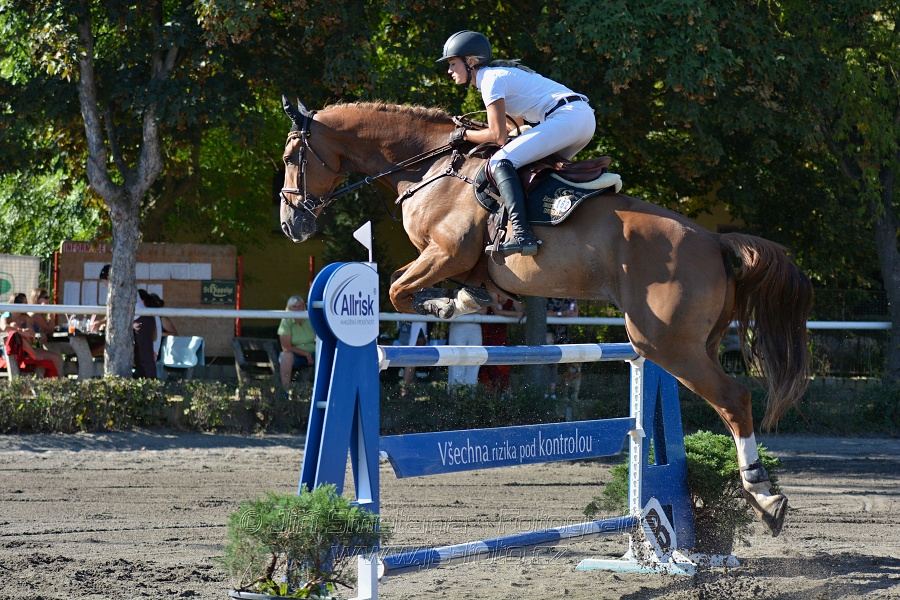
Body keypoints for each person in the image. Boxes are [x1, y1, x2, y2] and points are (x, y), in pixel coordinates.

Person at [438, 30, 596, 257]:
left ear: (470, 62)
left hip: (567, 117)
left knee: (499, 162)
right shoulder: (499, 77)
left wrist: (463, 135)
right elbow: (514, 129)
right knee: (531, 168)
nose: (449, 70)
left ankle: (522, 234)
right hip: (581, 119)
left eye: (453, 63)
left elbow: (497, 136)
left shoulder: (490, 79)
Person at [0, 292, 63, 378]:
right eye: (25, 303)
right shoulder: (7, 315)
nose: (27, 305)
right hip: (10, 351)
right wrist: (21, 332)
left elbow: (31, 340)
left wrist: (29, 333)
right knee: (14, 328)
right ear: (16, 304)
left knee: (56, 358)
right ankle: (34, 354)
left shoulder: (26, 317)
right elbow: (4, 327)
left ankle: (57, 385)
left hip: (26, 350)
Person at [478, 292, 523, 394]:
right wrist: (515, 314)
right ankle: (487, 392)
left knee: (502, 360)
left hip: (501, 331)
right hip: (488, 330)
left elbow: (521, 310)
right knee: (487, 360)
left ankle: (502, 391)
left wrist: (519, 312)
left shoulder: (513, 294)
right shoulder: (493, 292)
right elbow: (496, 311)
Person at [546, 298, 581, 415]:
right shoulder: (547, 295)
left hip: (563, 333)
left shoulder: (569, 297)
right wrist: (561, 314)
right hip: (548, 331)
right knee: (552, 363)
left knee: (570, 363)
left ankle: (568, 394)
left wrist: (572, 313)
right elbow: (541, 313)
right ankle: (551, 392)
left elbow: (575, 313)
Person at [278, 296, 316, 388]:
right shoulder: (286, 321)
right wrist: (306, 354)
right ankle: (285, 391)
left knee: (326, 355)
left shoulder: (311, 319)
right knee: (285, 356)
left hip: (314, 353)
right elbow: (285, 347)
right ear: (289, 309)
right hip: (296, 355)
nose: (297, 309)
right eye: (294, 307)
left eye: (300, 306)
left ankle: (323, 391)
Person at [447, 318, 481, 387]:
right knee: (456, 360)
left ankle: (471, 393)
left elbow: (483, 310)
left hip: (475, 325)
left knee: (474, 361)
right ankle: (454, 393)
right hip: (458, 324)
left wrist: (465, 311)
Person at [133, 292, 157, 379]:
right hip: (137, 320)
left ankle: (151, 385)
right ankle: (142, 383)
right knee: (138, 356)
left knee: (145, 355)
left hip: (140, 319)